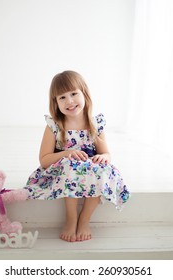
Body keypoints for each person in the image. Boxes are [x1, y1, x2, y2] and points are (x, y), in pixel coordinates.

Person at [24, 70, 130, 242]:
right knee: (71, 167)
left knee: (102, 171)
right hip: (64, 169)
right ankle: (71, 217)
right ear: (55, 102)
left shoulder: (95, 124)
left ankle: (84, 218)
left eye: (74, 94)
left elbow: (106, 153)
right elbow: (44, 160)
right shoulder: (55, 125)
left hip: (90, 168)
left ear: (84, 94)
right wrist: (67, 153)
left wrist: (104, 157)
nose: (70, 101)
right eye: (62, 97)